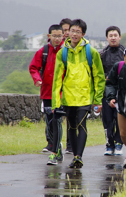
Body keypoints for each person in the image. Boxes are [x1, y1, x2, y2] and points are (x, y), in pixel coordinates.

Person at [52, 19, 105, 168]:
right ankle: (75, 156)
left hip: (85, 97)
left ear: (83, 34)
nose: (74, 34)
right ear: (68, 32)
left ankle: (78, 156)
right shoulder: (63, 52)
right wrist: (56, 102)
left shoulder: (91, 52)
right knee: (71, 128)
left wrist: (98, 99)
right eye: (72, 31)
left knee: (81, 125)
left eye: (78, 32)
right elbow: (57, 80)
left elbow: (99, 77)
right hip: (68, 98)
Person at [29, 24, 64, 165]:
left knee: (58, 121)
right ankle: (56, 145)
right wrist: (37, 79)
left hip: (62, 94)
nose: (57, 38)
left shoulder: (66, 51)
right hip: (47, 93)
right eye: (54, 36)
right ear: (49, 36)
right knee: (49, 122)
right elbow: (33, 67)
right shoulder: (43, 51)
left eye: (59, 36)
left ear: (63, 36)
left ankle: (55, 151)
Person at [100, 26, 125, 156]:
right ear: (107, 38)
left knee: (119, 118)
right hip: (106, 92)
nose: (113, 38)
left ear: (120, 37)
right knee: (108, 119)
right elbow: (98, 73)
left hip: (122, 92)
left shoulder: (125, 52)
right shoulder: (102, 54)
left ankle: (119, 142)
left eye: (115, 35)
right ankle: (109, 144)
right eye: (111, 36)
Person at [59, 18, 73, 154]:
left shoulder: (74, 48)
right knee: (55, 117)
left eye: (69, 30)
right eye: (64, 30)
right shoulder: (58, 47)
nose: (67, 33)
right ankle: (54, 144)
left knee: (71, 118)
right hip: (59, 88)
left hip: (71, 88)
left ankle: (70, 145)